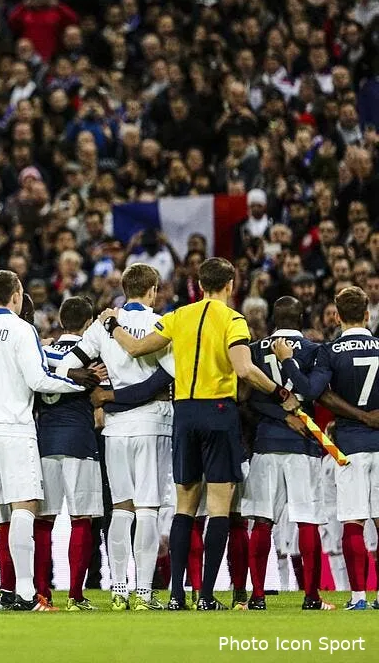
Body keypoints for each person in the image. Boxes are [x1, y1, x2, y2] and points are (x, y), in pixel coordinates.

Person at [100, 257, 295, 610]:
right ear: (230, 285)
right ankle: (205, 596)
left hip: (184, 415)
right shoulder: (232, 319)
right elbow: (243, 368)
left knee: (184, 507)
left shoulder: (177, 316)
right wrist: (281, 393)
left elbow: (134, 347)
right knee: (219, 507)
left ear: (199, 285)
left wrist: (113, 323)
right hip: (218, 413)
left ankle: (176, 596)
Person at [0, 270, 97, 612]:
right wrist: (77, 384)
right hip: (14, 431)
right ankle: (26, 593)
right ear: (15, 295)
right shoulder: (22, 329)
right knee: (23, 509)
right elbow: (38, 379)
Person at [60, 264, 174, 611]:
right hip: (152, 423)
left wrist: (100, 388)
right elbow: (159, 383)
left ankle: (118, 589)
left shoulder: (100, 326)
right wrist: (112, 395)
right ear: (153, 290)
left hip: (115, 429)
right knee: (149, 510)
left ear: (125, 290)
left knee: (121, 510)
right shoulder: (162, 324)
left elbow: (66, 366)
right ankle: (143, 592)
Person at [239, 296, 336, 611]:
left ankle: (257, 597)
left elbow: (250, 398)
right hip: (303, 449)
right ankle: (311, 597)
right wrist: (292, 416)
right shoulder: (314, 350)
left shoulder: (255, 349)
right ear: (303, 318)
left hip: (265, 445)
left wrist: (280, 417)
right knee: (307, 521)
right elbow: (310, 392)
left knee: (263, 521)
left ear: (271, 320)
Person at [290, 286, 379, 610]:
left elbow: (315, 392)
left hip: (350, 448)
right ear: (367, 314)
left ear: (338, 316)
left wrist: (357, 417)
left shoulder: (331, 351)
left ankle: (358, 598)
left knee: (354, 522)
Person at [38, 297, 107, 612]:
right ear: (90, 321)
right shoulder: (94, 352)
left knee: (43, 521)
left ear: (62, 321)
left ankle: (42, 594)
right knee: (81, 519)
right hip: (79, 441)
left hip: (44, 442)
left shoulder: (41, 351)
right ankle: (76, 596)